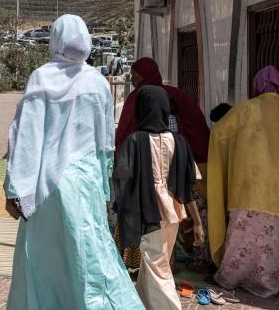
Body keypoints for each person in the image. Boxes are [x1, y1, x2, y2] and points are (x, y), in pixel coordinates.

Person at [4, 14, 143, 310]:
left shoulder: (42, 78)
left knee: (46, 262)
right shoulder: (98, 82)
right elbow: (107, 142)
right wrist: (106, 187)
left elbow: (26, 139)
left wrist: (15, 189)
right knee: (91, 254)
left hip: (48, 188)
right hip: (89, 180)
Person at [115, 57, 211, 270]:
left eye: (135, 75)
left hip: (147, 179)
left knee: (150, 240)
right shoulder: (174, 99)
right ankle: (166, 267)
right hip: (173, 181)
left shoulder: (139, 104)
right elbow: (197, 126)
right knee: (168, 234)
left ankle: (152, 275)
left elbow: (123, 136)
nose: (132, 79)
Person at [114, 85, 204, 310]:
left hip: (147, 211)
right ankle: (143, 302)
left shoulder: (134, 141)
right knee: (156, 261)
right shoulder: (179, 142)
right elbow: (188, 185)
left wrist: (120, 212)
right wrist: (197, 222)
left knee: (157, 264)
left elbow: (121, 180)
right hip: (174, 212)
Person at [207, 65, 279, 298]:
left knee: (243, 245)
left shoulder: (245, 109)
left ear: (257, 86)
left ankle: (233, 278)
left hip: (246, 191)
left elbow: (219, 132)